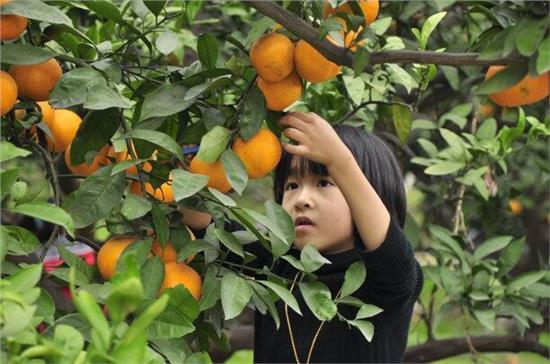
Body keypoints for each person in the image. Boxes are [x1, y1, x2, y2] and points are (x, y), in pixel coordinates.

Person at [184, 112, 423, 363]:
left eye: (323, 182)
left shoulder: (386, 284)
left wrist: (340, 161)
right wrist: (190, 172)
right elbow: (209, 231)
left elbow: (392, 253)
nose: (301, 200)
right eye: (292, 185)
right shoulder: (279, 265)